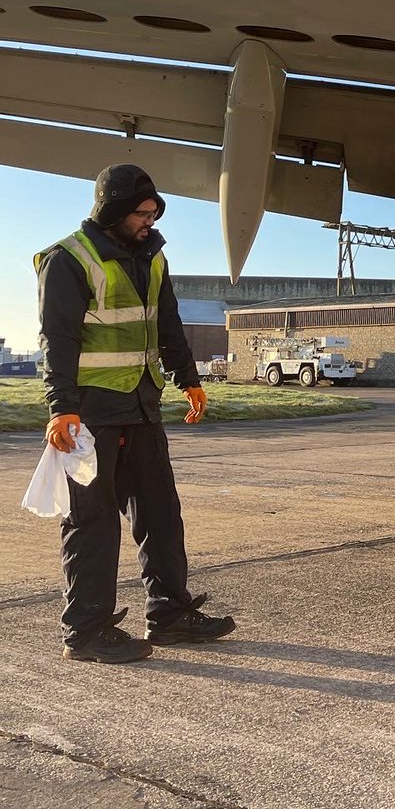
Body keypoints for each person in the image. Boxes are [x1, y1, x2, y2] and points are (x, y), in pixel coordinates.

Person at [36, 164, 237, 663]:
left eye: (154, 213)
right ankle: (85, 632)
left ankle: (169, 615)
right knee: (93, 522)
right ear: (113, 210)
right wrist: (61, 407)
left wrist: (189, 377)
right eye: (141, 213)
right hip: (92, 413)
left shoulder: (151, 256)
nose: (150, 221)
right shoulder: (68, 259)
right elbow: (56, 339)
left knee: (161, 513)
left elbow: (166, 321)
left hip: (143, 406)